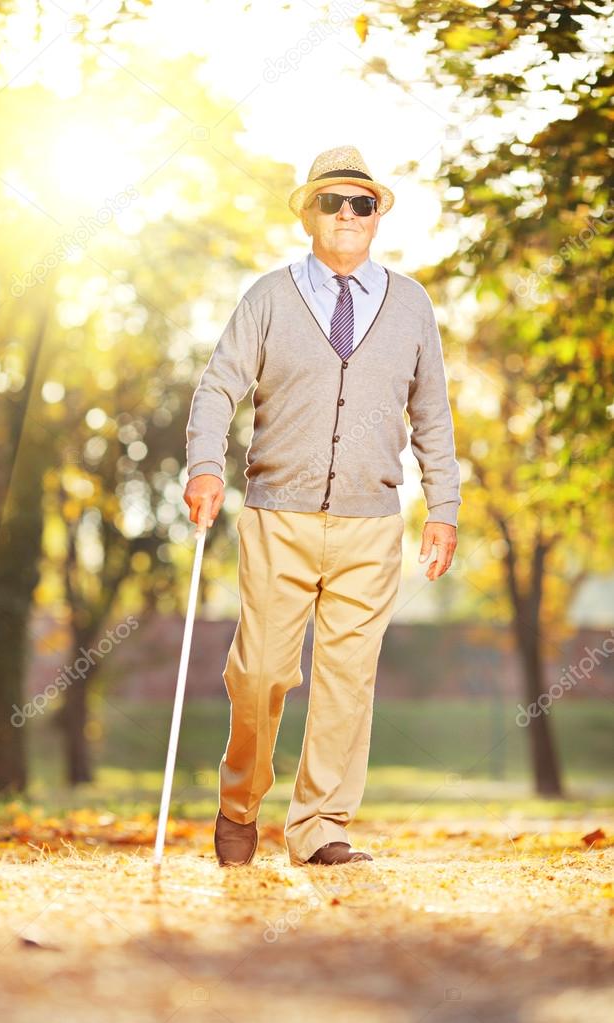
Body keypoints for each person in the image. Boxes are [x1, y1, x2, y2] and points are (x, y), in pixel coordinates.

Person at [183, 145, 461, 867]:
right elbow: (217, 387)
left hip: (373, 523)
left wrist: (444, 506)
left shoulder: (411, 305)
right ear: (308, 214)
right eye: (332, 202)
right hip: (279, 516)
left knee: (347, 681)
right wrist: (205, 466)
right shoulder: (270, 298)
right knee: (261, 672)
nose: (346, 214)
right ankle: (239, 801)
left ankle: (318, 827)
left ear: (376, 217)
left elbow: (432, 412)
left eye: (361, 203)